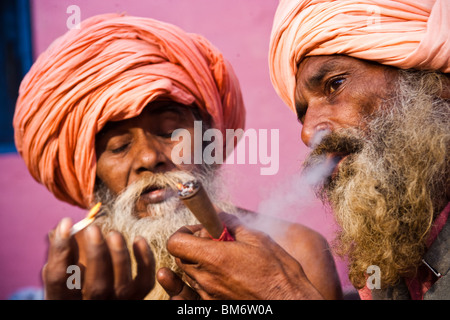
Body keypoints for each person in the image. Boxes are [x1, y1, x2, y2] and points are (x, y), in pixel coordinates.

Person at [13, 13, 342, 300]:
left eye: (170, 132)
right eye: (118, 147)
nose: (148, 158)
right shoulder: (79, 259)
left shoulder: (299, 251)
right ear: (93, 171)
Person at [165, 0, 449, 300]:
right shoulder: (396, 258)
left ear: (431, 79)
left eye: (334, 85)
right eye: (303, 115)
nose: (309, 132)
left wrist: (282, 291)